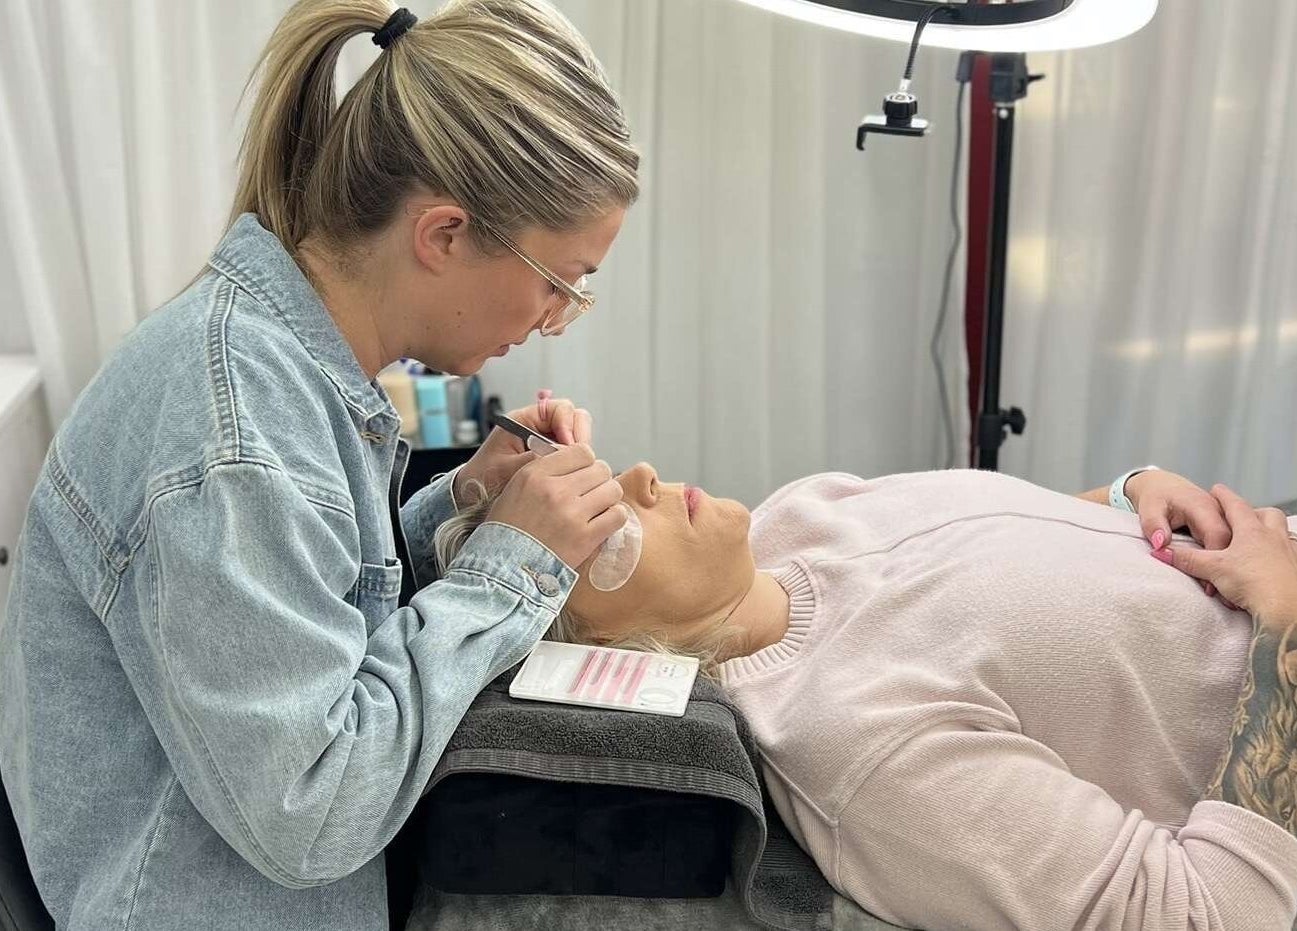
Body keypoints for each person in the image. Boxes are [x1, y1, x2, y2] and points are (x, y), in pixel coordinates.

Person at [0, 1, 637, 928]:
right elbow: (314, 809)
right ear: (445, 234)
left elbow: (313, 613)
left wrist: (465, 507)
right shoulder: (235, 430)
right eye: (560, 282)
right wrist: (510, 570)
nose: (554, 318)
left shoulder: (279, 375)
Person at [437, 460, 1297, 929]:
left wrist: (1122, 497)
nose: (642, 478)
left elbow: (981, 559)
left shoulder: (797, 514)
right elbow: (1211, 911)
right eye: (606, 525)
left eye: (602, 473)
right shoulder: (862, 750)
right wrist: (1286, 625)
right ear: (599, 651)